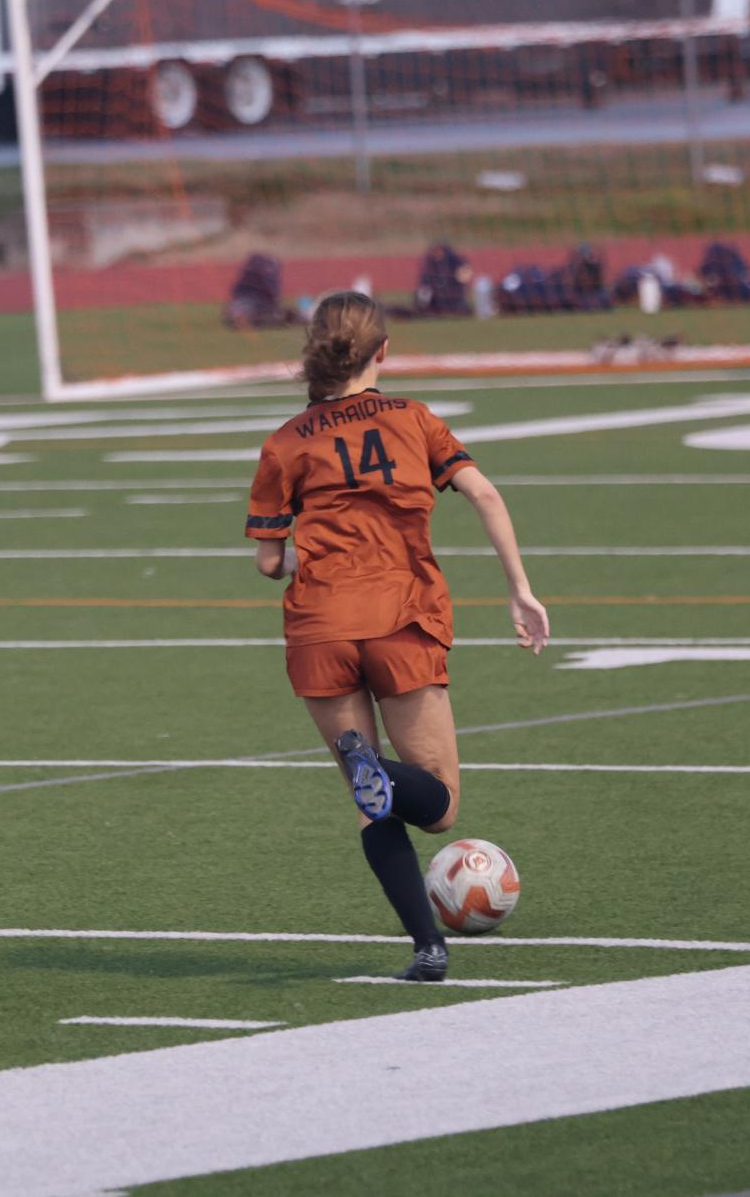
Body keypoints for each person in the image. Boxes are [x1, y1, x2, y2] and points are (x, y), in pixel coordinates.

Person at [244, 291, 552, 983]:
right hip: (400, 618)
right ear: (383, 351)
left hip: (318, 627)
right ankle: (380, 776)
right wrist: (519, 590)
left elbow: (268, 562)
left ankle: (426, 948)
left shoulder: (284, 442)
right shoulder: (412, 418)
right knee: (438, 804)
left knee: (367, 801)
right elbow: (485, 494)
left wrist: (318, 554)